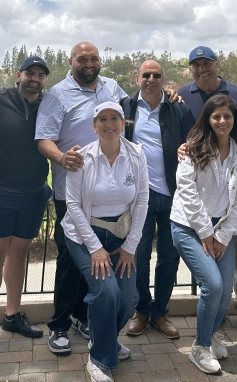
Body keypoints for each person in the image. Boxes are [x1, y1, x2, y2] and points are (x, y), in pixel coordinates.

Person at [35, 41, 128, 354]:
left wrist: (170, 94)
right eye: (82, 59)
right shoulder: (57, 94)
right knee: (69, 258)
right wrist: (62, 158)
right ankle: (59, 325)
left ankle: (83, 316)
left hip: (109, 192)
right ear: (70, 61)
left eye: (94, 58)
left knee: (98, 258)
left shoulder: (112, 87)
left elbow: (135, 111)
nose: (89, 64)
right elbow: (43, 139)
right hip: (71, 192)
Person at [62, 101, 149, 382]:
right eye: (102, 119)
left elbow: (142, 200)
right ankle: (100, 359)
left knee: (129, 297)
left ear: (123, 124)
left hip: (121, 236)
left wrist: (130, 246)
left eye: (114, 118)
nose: (109, 124)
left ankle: (105, 339)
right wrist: (95, 248)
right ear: (94, 126)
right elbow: (73, 206)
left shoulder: (137, 155)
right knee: (107, 292)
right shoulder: (81, 158)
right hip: (84, 235)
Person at [0, 55, 52, 356]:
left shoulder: (49, 104)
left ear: (45, 80)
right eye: (30, 73)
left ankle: (12, 315)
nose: (35, 78)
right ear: (18, 75)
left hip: (34, 192)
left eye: (41, 75)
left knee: (19, 254)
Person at [170, 95, 237, 374]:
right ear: (207, 119)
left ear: (234, 119)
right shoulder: (193, 148)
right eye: (216, 116)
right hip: (188, 227)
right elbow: (187, 193)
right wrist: (206, 234)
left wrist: (223, 236)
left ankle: (211, 333)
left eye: (227, 116)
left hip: (221, 229)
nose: (222, 121)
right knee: (213, 286)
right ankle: (200, 347)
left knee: (225, 290)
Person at [177, 45, 237, 330]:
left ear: (217, 65)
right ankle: (213, 321)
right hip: (198, 189)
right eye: (196, 64)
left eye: (207, 62)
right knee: (213, 275)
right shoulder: (181, 95)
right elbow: (177, 131)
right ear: (191, 69)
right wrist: (181, 149)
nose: (202, 68)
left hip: (233, 183)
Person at [122, 60, 195, 340]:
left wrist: (187, 148)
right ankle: (141, 310)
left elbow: (196, 141)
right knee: (138, 256)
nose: (151, 79)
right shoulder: (125, 108)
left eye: (156, 75)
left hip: (173, 195)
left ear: (163, 79)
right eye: (146, 75)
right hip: (138, 196)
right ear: (137, 78)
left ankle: (160, 312)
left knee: (169, 256)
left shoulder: (178, 108)